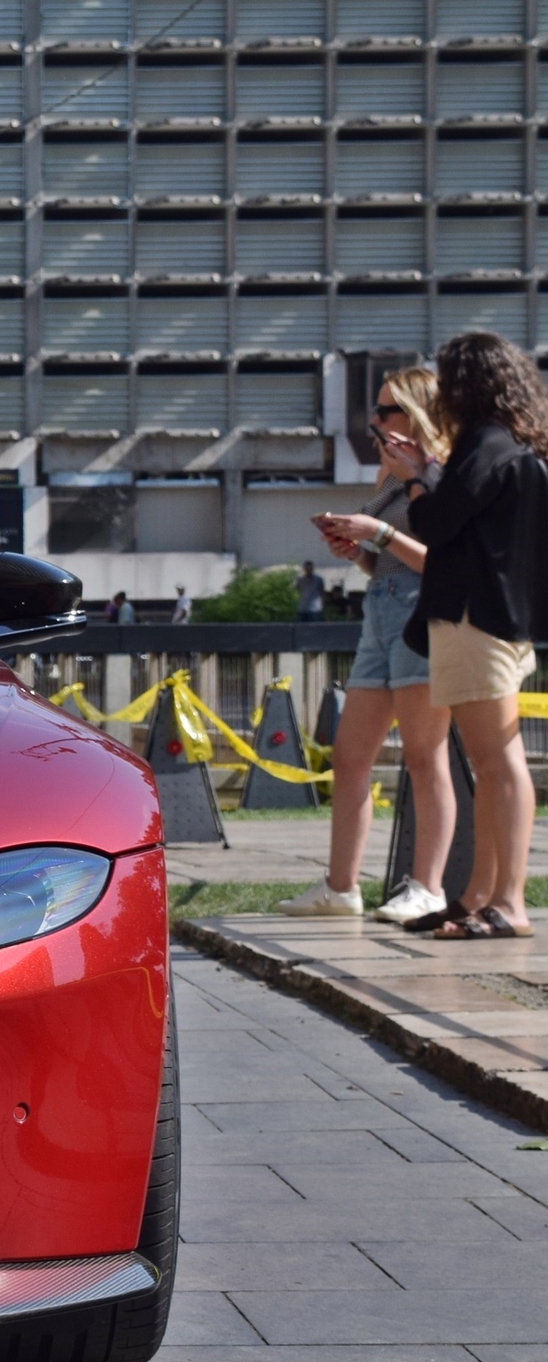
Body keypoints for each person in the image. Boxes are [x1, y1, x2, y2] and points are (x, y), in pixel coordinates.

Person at [282, 367, 455, 923]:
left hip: (422, 611)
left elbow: (447, 562)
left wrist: (376, 533)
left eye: (386, 411)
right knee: (351, 757)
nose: (375, 421)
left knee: (425, 758)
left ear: (416, 411)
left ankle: (428, 886)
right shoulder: (392, 472)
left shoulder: (442, 471)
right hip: (380, 609)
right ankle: (341, 887)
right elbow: (384, 554)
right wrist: (353, 547)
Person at [404, 331, 548, 940]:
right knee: (491, 764)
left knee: (497, 762)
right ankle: (478, 895)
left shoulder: (485, 442)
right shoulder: (516, 441)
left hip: (476, 615)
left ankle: (508, 901)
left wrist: (416, 476)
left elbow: (437, 520)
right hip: (501, 616)